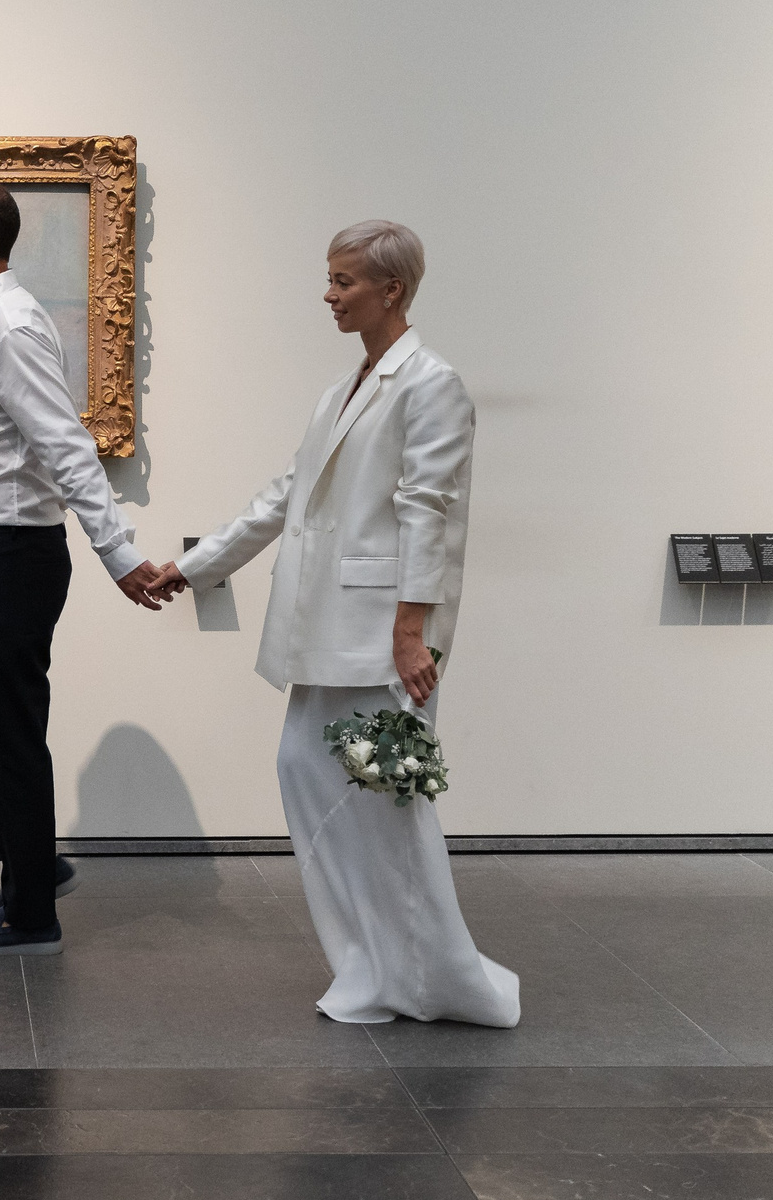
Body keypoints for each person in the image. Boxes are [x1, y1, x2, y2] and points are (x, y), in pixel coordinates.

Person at [157, 221, 518, 1027]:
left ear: (391, 290)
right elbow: (285, 495)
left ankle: (434, 978)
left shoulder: (432, 384)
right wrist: (195, 565)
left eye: (343, 280)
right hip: (323, 630)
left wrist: (410, 630)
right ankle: (368, 965)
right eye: (330, 277)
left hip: (384, 639)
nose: (328, 293)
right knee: (303, 769)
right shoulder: (343, 389)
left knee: (390, 804)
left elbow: (429, 512)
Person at [0, 178, 174, 957]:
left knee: (9, 734)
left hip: (14, 551)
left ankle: (31, 917)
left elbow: (67, 447)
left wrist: (120, 555)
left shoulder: (10, 326)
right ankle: (32, 861)